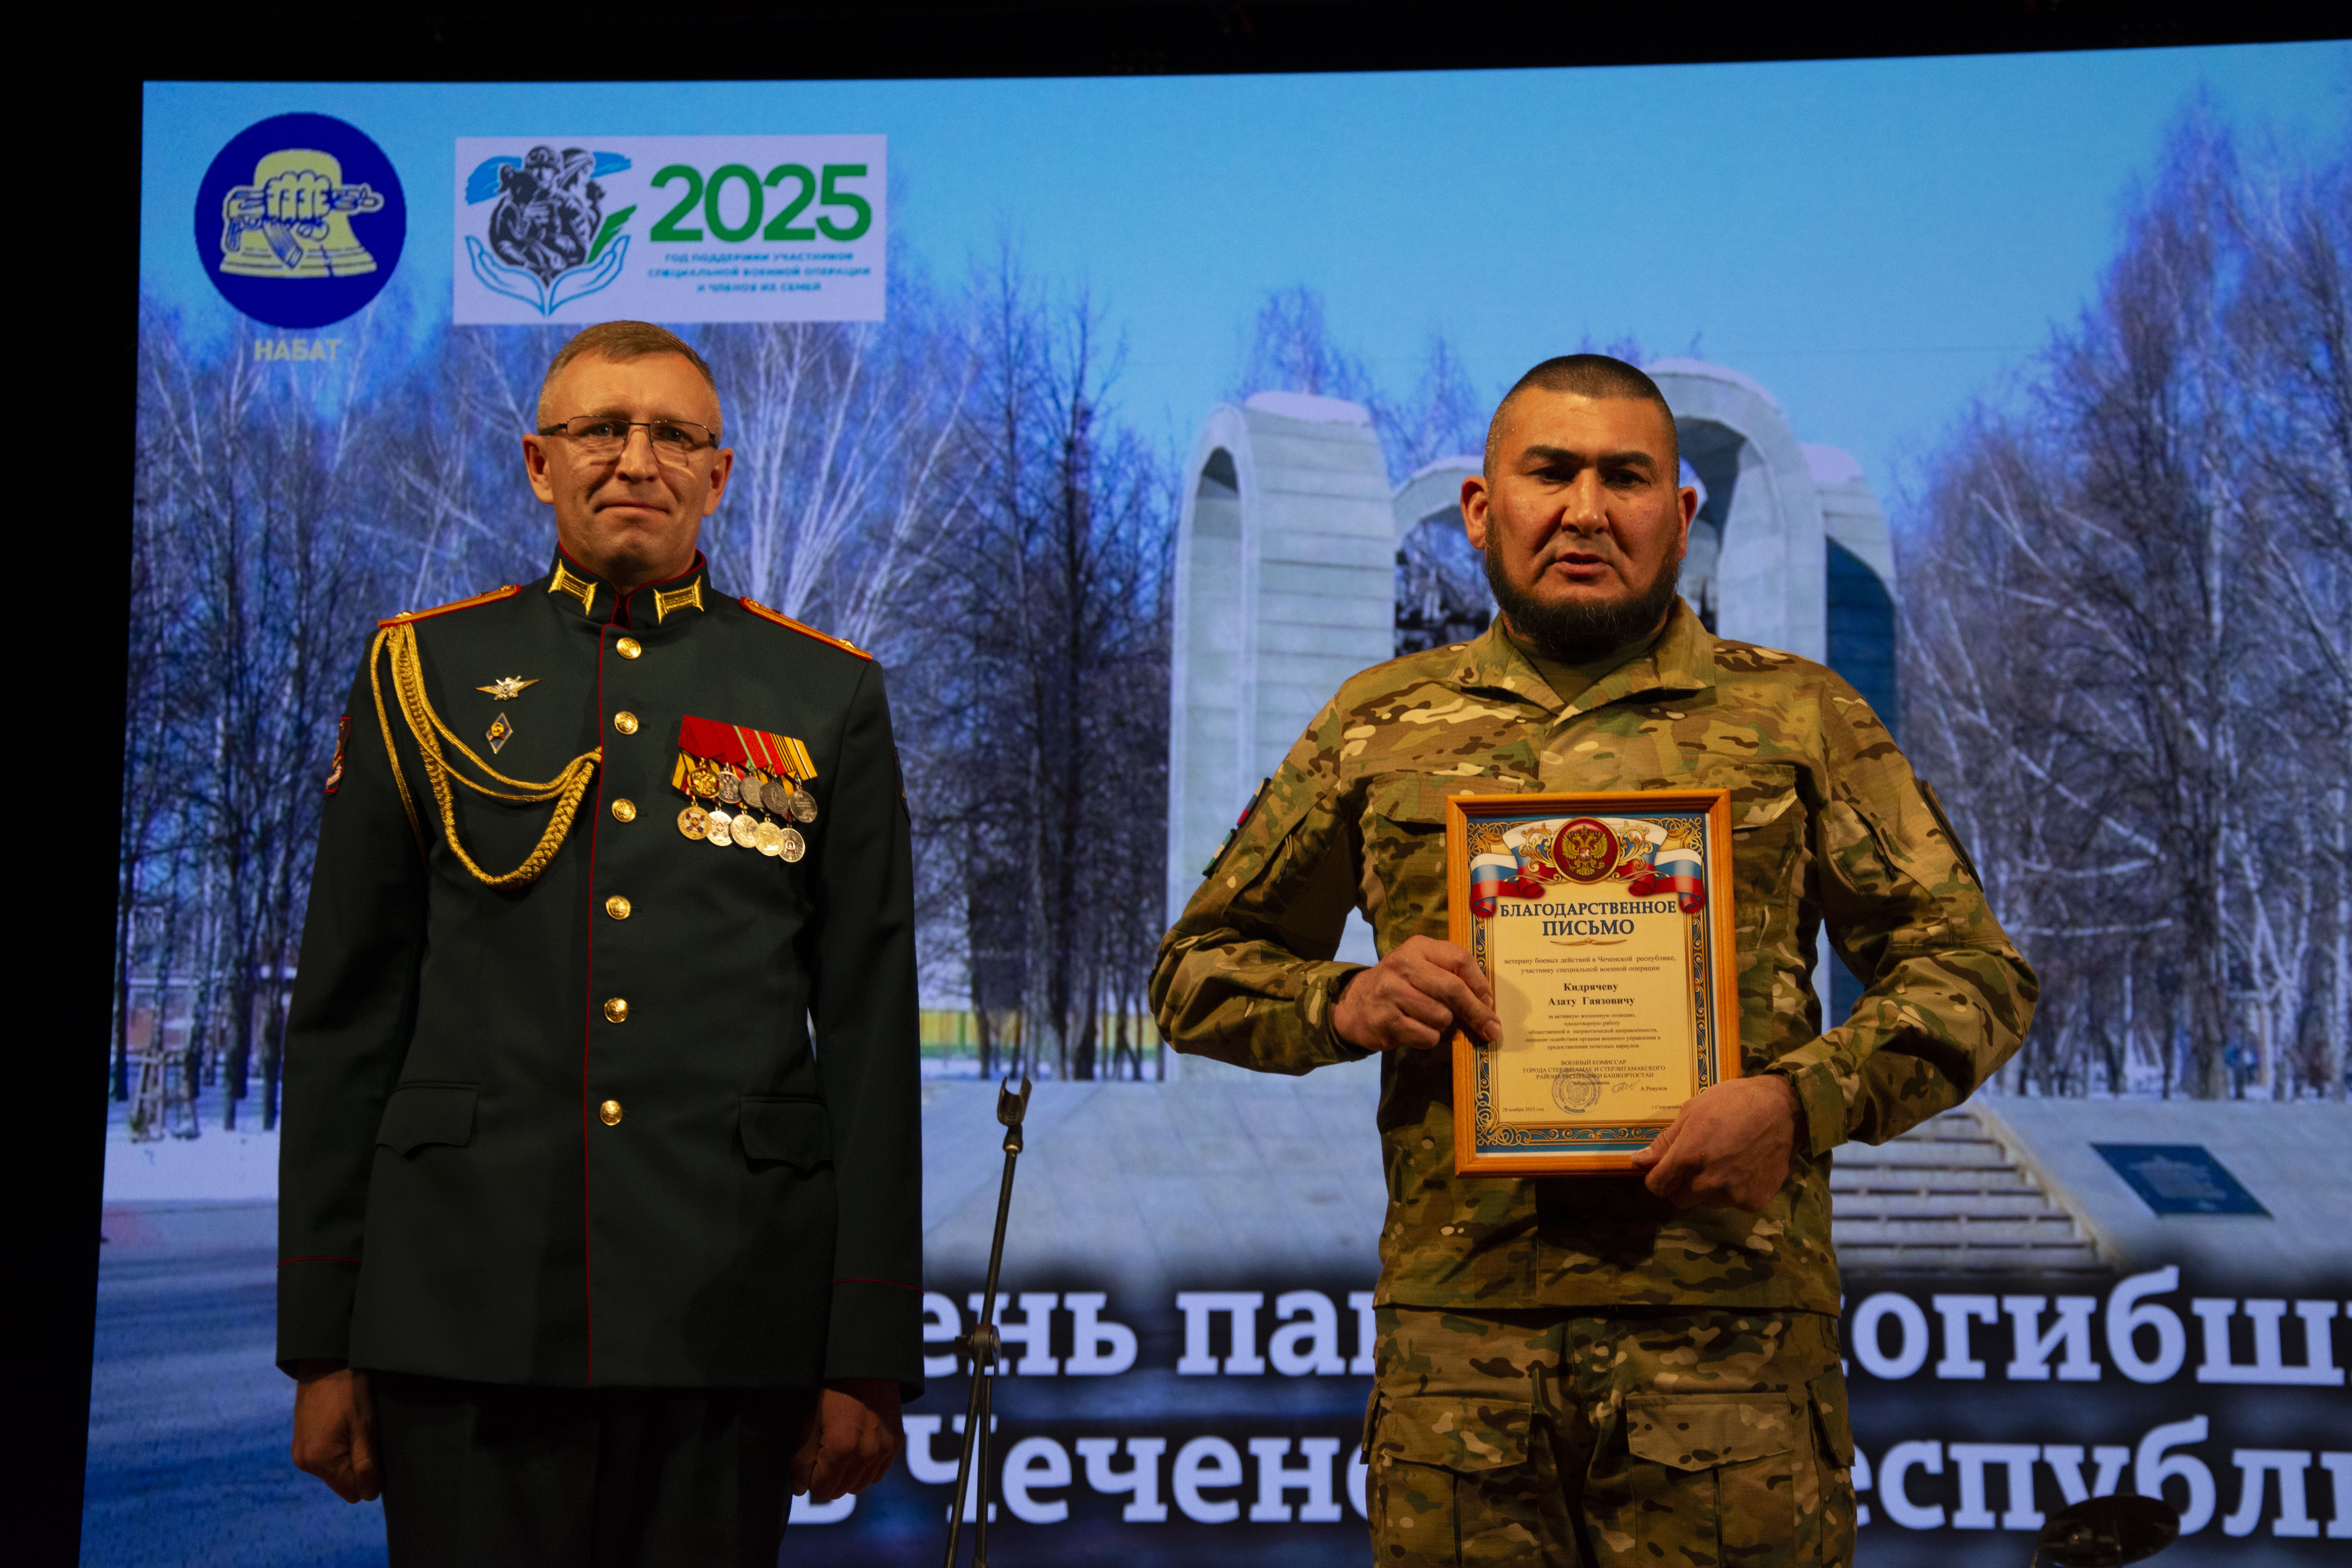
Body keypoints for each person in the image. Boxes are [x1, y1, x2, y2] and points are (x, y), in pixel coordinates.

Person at [1150, 355, 2036, 1566]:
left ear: (1679, 513)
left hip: (1727, 1362)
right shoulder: (1377, 726)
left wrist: (1800, 1102)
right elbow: (1195, 971)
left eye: (1625, 478)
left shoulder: (1800, 720)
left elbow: (1973, 971)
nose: (1584, 511)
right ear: (1480, 509)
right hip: (1461, 1365)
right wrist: (1344, 1000)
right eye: (1550, 473)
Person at [277, 320, 920, 1566]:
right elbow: (348, 1020)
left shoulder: (822, 694)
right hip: (459, 1319)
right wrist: (320, 1342)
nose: (636, 459)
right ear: (538, 462)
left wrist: (867, 1353)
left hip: (730, 1319)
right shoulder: (421, 672)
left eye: (673, 435)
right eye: (600, 430)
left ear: (717, 476)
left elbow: (868, 1029)